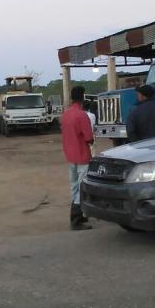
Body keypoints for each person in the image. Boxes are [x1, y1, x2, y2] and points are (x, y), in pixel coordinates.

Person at [61, 86, 94, 230]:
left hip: (70, 154)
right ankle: (76, 218)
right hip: (82, 154)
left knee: (74, 185)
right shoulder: (82, 115)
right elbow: (89, 138)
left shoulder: (66, 114)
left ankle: (78, 215)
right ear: (83, 97)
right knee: (82, 186)